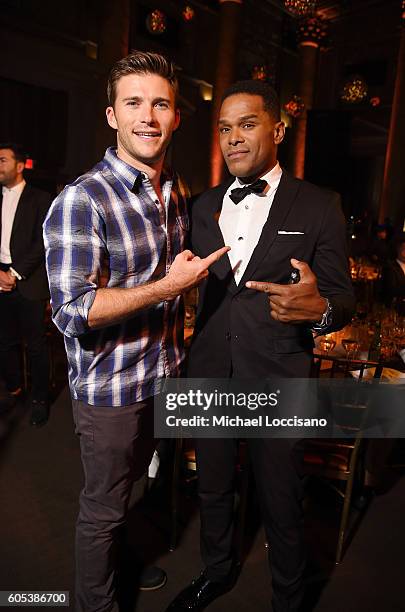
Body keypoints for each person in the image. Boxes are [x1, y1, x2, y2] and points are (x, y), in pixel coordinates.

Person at [43, 51, 228, 612]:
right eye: (133, 103)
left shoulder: (173, 187)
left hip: (160, 377)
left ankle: (118, 571)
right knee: (102, 509)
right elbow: (72, 311)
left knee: (133, 494)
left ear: (175, 117)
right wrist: (168, 289)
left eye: (160, 104)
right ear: (111, 116)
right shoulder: (83, 199)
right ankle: (93, 604)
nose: (147, 116)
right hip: (110, 394)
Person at [166, 80, 355, 612]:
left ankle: (288, 598)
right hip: (209, 368)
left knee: (282, 497)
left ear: (278, 128)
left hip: (278, 371)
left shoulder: (319, 204)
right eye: (225, 128)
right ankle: (217, 571)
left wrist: (319, 310)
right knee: (213, 486)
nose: (233, 139)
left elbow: (344, 298)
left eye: (247, 124)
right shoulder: (201, 207)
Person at [0, 143, 51, 426]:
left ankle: (40, 399)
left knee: (35, 345)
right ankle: (14, 390)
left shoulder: (40, 198)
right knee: (5, 342)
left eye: (2, 160)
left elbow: (43, 241)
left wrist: (15, 273)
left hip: (29, 281)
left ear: (20, 166)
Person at [381, 233, 405, 315]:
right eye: (404, 249)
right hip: (396, 309)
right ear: (399, 250)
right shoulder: (390, 268)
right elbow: (391, 290)